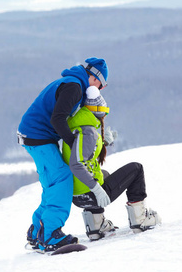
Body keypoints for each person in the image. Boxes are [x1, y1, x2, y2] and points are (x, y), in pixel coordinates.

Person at [18, 57, 109, 252]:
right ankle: (50, 234)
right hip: (38, 137)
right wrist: (74, 142)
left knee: (53, 183)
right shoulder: (74, 87)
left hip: (35, 136)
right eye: (101, 85)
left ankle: (36, 232)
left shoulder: (72, 83)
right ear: (94, 78)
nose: (99, 90)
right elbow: (58, 119)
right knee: (62, 179)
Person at [62, 86, 161, 240]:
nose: (104, 116)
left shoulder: (76, 127)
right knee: (136, 168)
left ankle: (95, 226)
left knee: (105, 174)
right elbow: (77, 164)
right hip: (90, 194)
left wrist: (104, 141)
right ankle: (140, 221)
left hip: (77, 195)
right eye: (104, 112)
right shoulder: (88, 131)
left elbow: (84, 151)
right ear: (97, 111)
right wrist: (96, 189)